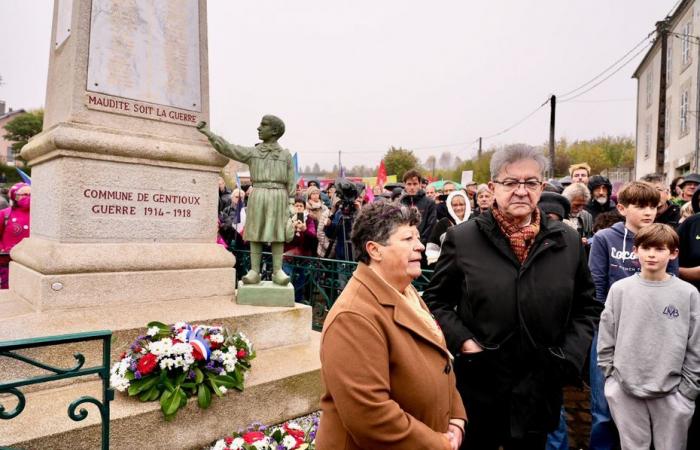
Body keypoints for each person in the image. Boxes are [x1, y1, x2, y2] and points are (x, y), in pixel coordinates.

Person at [424, 144, 601, 449]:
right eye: (510, 183)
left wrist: (566, 357)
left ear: (542, 187)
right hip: (480, 385)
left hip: (540, 386)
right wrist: (465, 342)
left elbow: (586, 307)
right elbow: (436, 300)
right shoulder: (463, 239)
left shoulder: (566, 240)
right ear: (493, 188)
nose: (521, 191)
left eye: (530, 182)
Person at [316, 202, 467, 450]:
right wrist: (438, 444)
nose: (420, 245)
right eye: (408, 238)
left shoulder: (404, 291)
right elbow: (370, 415)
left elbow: (440, 360)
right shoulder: (353, 317)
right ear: (375, 250)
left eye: (418, 237)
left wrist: (456, 418)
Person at [587, 180, 679, 450]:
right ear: (623, 208)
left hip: (654, 332)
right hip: (610, 332)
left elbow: (670, 286)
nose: (648, 212)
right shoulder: (605, 239)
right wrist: (611, 327)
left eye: (653, 206)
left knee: (649, 407)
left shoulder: (665, 239)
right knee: (604, 407)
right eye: (640, 206)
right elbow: (597, 288)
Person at [598, 224, 700, 450]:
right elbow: (606, 334)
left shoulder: (688, 293)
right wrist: (611, 378)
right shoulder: (620, 290)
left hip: (674, 392)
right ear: (635, 251)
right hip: (625, 389)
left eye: (660, 249)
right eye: (646, 248)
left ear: (673, 253)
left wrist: (688, 389)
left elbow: (696, 343)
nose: (652, 254)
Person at [197, 116, 295, 286]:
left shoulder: (285, 155)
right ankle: (254, 271)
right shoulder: (253, 152)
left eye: (263, 125)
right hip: (258, 194)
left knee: (278, 234)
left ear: (274, 131)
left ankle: (278, 271)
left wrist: (292, 204)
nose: (258, 128)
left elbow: (291, 180)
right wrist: (209, 134)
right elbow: (229, 149)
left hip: (279, 195)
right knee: (255, 233)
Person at [426, 191, 470, 265]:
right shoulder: (443, 223)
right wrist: (434, 262)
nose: (458, 208)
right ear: (449, 206)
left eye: (461, 204)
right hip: (447, 266)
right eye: (455, 205)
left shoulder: (473, 221)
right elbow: (432, 245)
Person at [0, 183, 31, 289]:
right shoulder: (4, 214)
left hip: (31, 262)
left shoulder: (41, 216)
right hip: (7, 262)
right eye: (23, 194)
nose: (28, 197)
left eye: (31, 194)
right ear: (14, 195)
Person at [400, 169, 437, 246]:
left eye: (415, 184)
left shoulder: (429, 203)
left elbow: (430, 226)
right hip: (404, 246)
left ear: (420, 184)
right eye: (409, 184)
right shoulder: (400, 203)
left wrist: (419, 243)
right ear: (404, 185)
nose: (412, 187)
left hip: (422, 246)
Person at [306, 186, 330, 258]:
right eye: (313, 194)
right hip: (311, 235)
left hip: (322, 233)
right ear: (309, 195)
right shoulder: (306, 207)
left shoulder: (324, 207)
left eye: (317, 193)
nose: (315, 195)